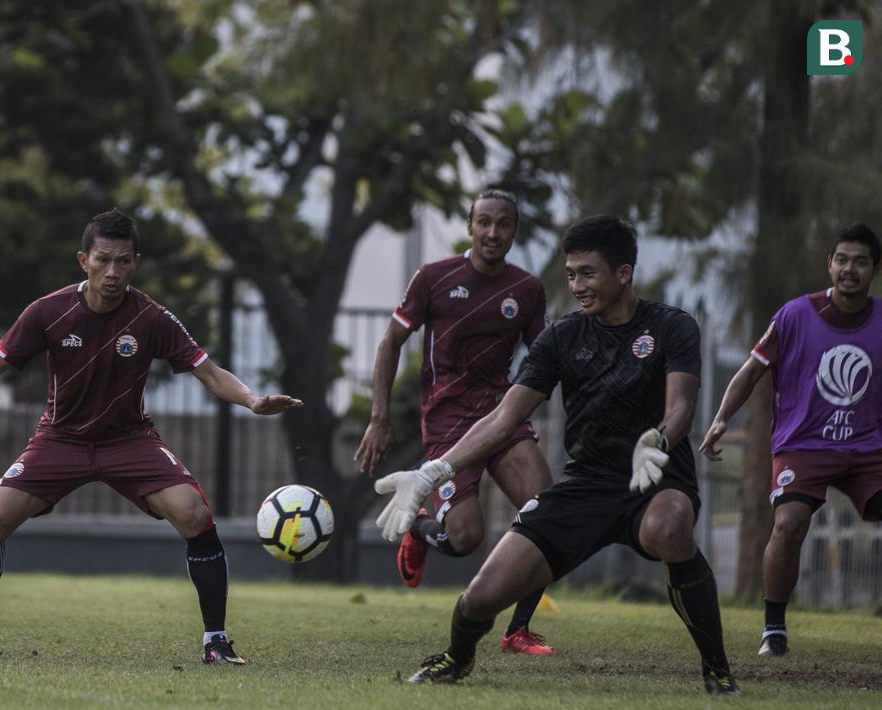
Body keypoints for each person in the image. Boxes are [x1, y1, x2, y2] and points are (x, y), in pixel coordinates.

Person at [374, 215, 738, 694]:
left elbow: (682, 408)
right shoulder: (562, 337)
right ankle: (456, 659)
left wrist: (660, 441)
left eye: (587, 273)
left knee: (668, 528)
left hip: (655, 480)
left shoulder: (672, 326)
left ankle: (717, 670)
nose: (577, 286)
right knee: (480, 597)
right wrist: (433, 472)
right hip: (585, 485)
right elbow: (503, 419)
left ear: (623, 273)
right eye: (570, 274)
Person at [0, 209, 302, 664]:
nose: (112, 271)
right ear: (83, 260)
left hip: (130, 440)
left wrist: (252, 400)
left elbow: (208, 372)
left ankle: (216, 642)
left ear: (135, 263)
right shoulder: (48, 311)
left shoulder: (152, 318)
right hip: (60, 439)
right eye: (103, 260)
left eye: (123, 261)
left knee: (195, 515)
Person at [354, 189, 556, 655]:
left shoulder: (527, 289)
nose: (492, 232)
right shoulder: (434, 278)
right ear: (469, 226)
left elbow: (543, 359)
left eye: (503, 224)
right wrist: (379, 419)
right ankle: (419, 531)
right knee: (465, 538)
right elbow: (390, 343)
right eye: (484, 222)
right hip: (447, 422)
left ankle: (518, 630)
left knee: (547, 515)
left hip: (502, 417)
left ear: (514, 231)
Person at [700, 223, 881, 658]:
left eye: (860, 262)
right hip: (804, 444)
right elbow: (751, 371)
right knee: (789, 523)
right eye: (842, 260)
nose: (849, 269)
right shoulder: (795, 315)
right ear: (829, 264)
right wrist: (721, 418)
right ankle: (774, 629)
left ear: (875, 270)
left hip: (868, 448)